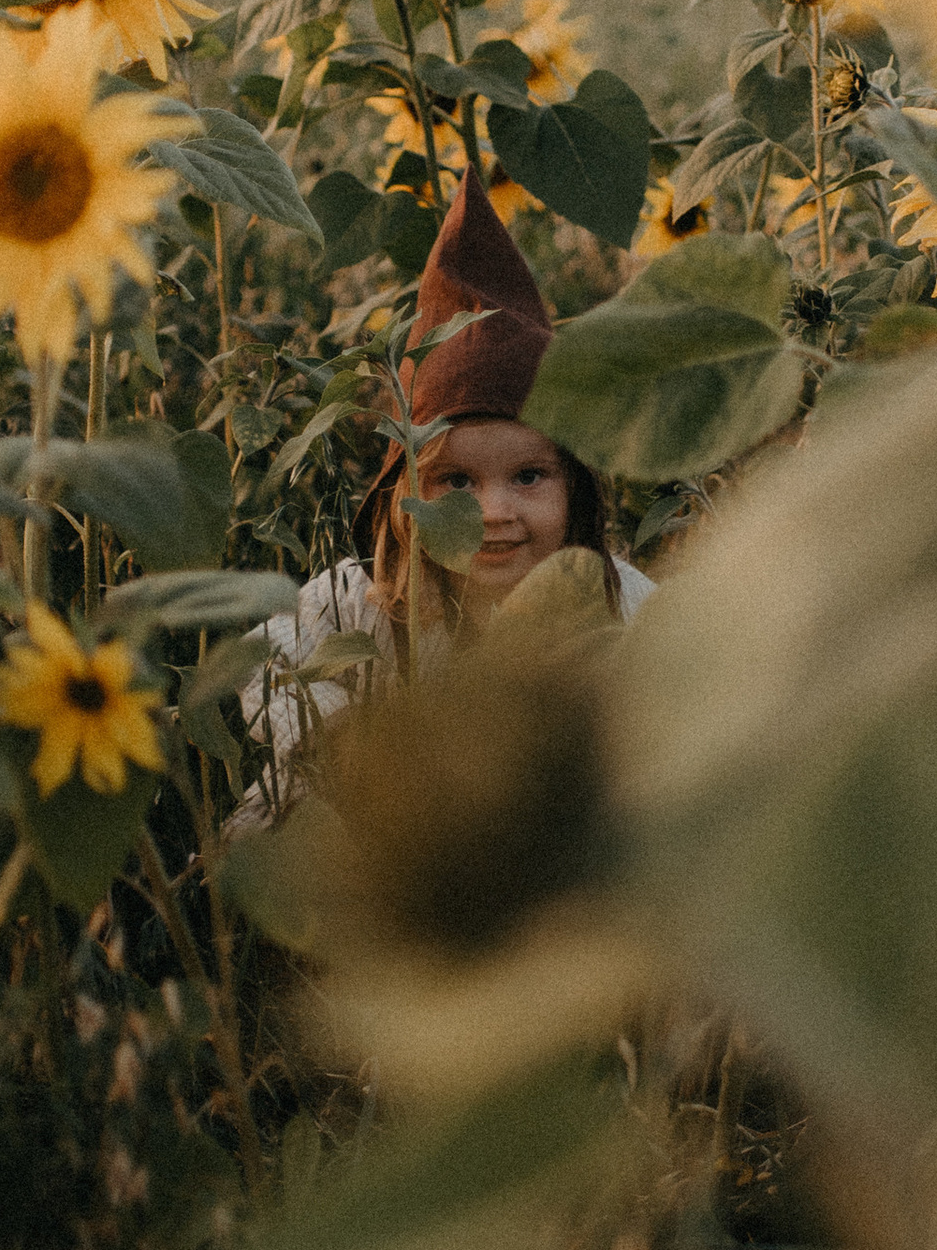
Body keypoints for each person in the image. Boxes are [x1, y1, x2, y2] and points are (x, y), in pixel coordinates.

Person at [240, 169, 654, 819]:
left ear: (574, 484)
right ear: (403, 491)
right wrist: (346, 741)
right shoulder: (361, 600)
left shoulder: (618, 600)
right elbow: (272, 669)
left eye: (528, 476)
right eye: (456, 482)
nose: (493, 513)